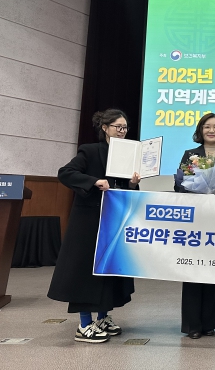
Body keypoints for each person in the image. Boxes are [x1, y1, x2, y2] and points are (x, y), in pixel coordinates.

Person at [48, 109, 139, 343]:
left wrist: (132, 184)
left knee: (108, 270)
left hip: (114, 221)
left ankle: (102, 318)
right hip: (89, 222)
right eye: (118, 127)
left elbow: (125, 190)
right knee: (86, 272)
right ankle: (84, 324)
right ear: (105, 128)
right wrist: (94, 181)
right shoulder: (89, 150)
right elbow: (65, 173)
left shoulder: (128, 155)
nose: (122, 131)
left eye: (125, 127)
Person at [175, 113, 215, 339]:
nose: (211, 131)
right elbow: (180, 185)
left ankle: (209, 323)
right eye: (207, 127)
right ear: (200, 130)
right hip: (195, 219)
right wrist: (198, 196)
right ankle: (192, 325)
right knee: (193, 269)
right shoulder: (190, 154)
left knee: (213, 269)